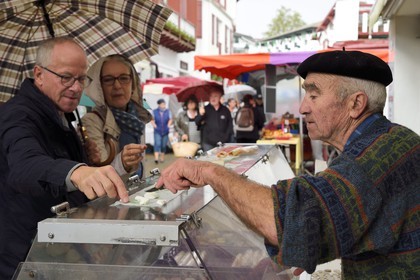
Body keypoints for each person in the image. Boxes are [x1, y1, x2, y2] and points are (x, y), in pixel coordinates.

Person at [156, 50, 420, 279]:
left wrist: (209, 171)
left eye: (314, 96)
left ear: (355, 104)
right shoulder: (386, 140)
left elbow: (290, 219)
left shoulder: (373, 159)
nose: (303, 108)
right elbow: (353, 221)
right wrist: (294, 250)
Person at [0, 37, 129, 279]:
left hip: (58, 247)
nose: (76, 87)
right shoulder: (17, 115)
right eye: (66, 77)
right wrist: (76, 171)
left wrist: (87, 161)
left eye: (81, 78)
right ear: (39, 74)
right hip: (23, 256)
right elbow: (25, 164)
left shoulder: (64, 115)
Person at [82, 54, 152, 179]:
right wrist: (122, 164)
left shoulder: (137, 119)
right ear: (99, 86)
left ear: (133, 84)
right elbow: (98, 176)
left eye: (124, 78)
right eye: (108, 80)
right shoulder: (92, 121)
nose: (117, 86)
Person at [151, 99, 172, 164]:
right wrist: (154, 125)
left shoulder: (168, 111)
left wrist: (168, 125)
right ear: (159, 105)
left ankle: (162, 158)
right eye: (162, 104)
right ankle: (156, 158)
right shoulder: (154, 111)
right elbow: (152, 119)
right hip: (157, 130)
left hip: (165, 130)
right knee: (157, 144)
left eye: (164, 104)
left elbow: (170, 119)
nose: (164, 105)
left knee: (163, 145)